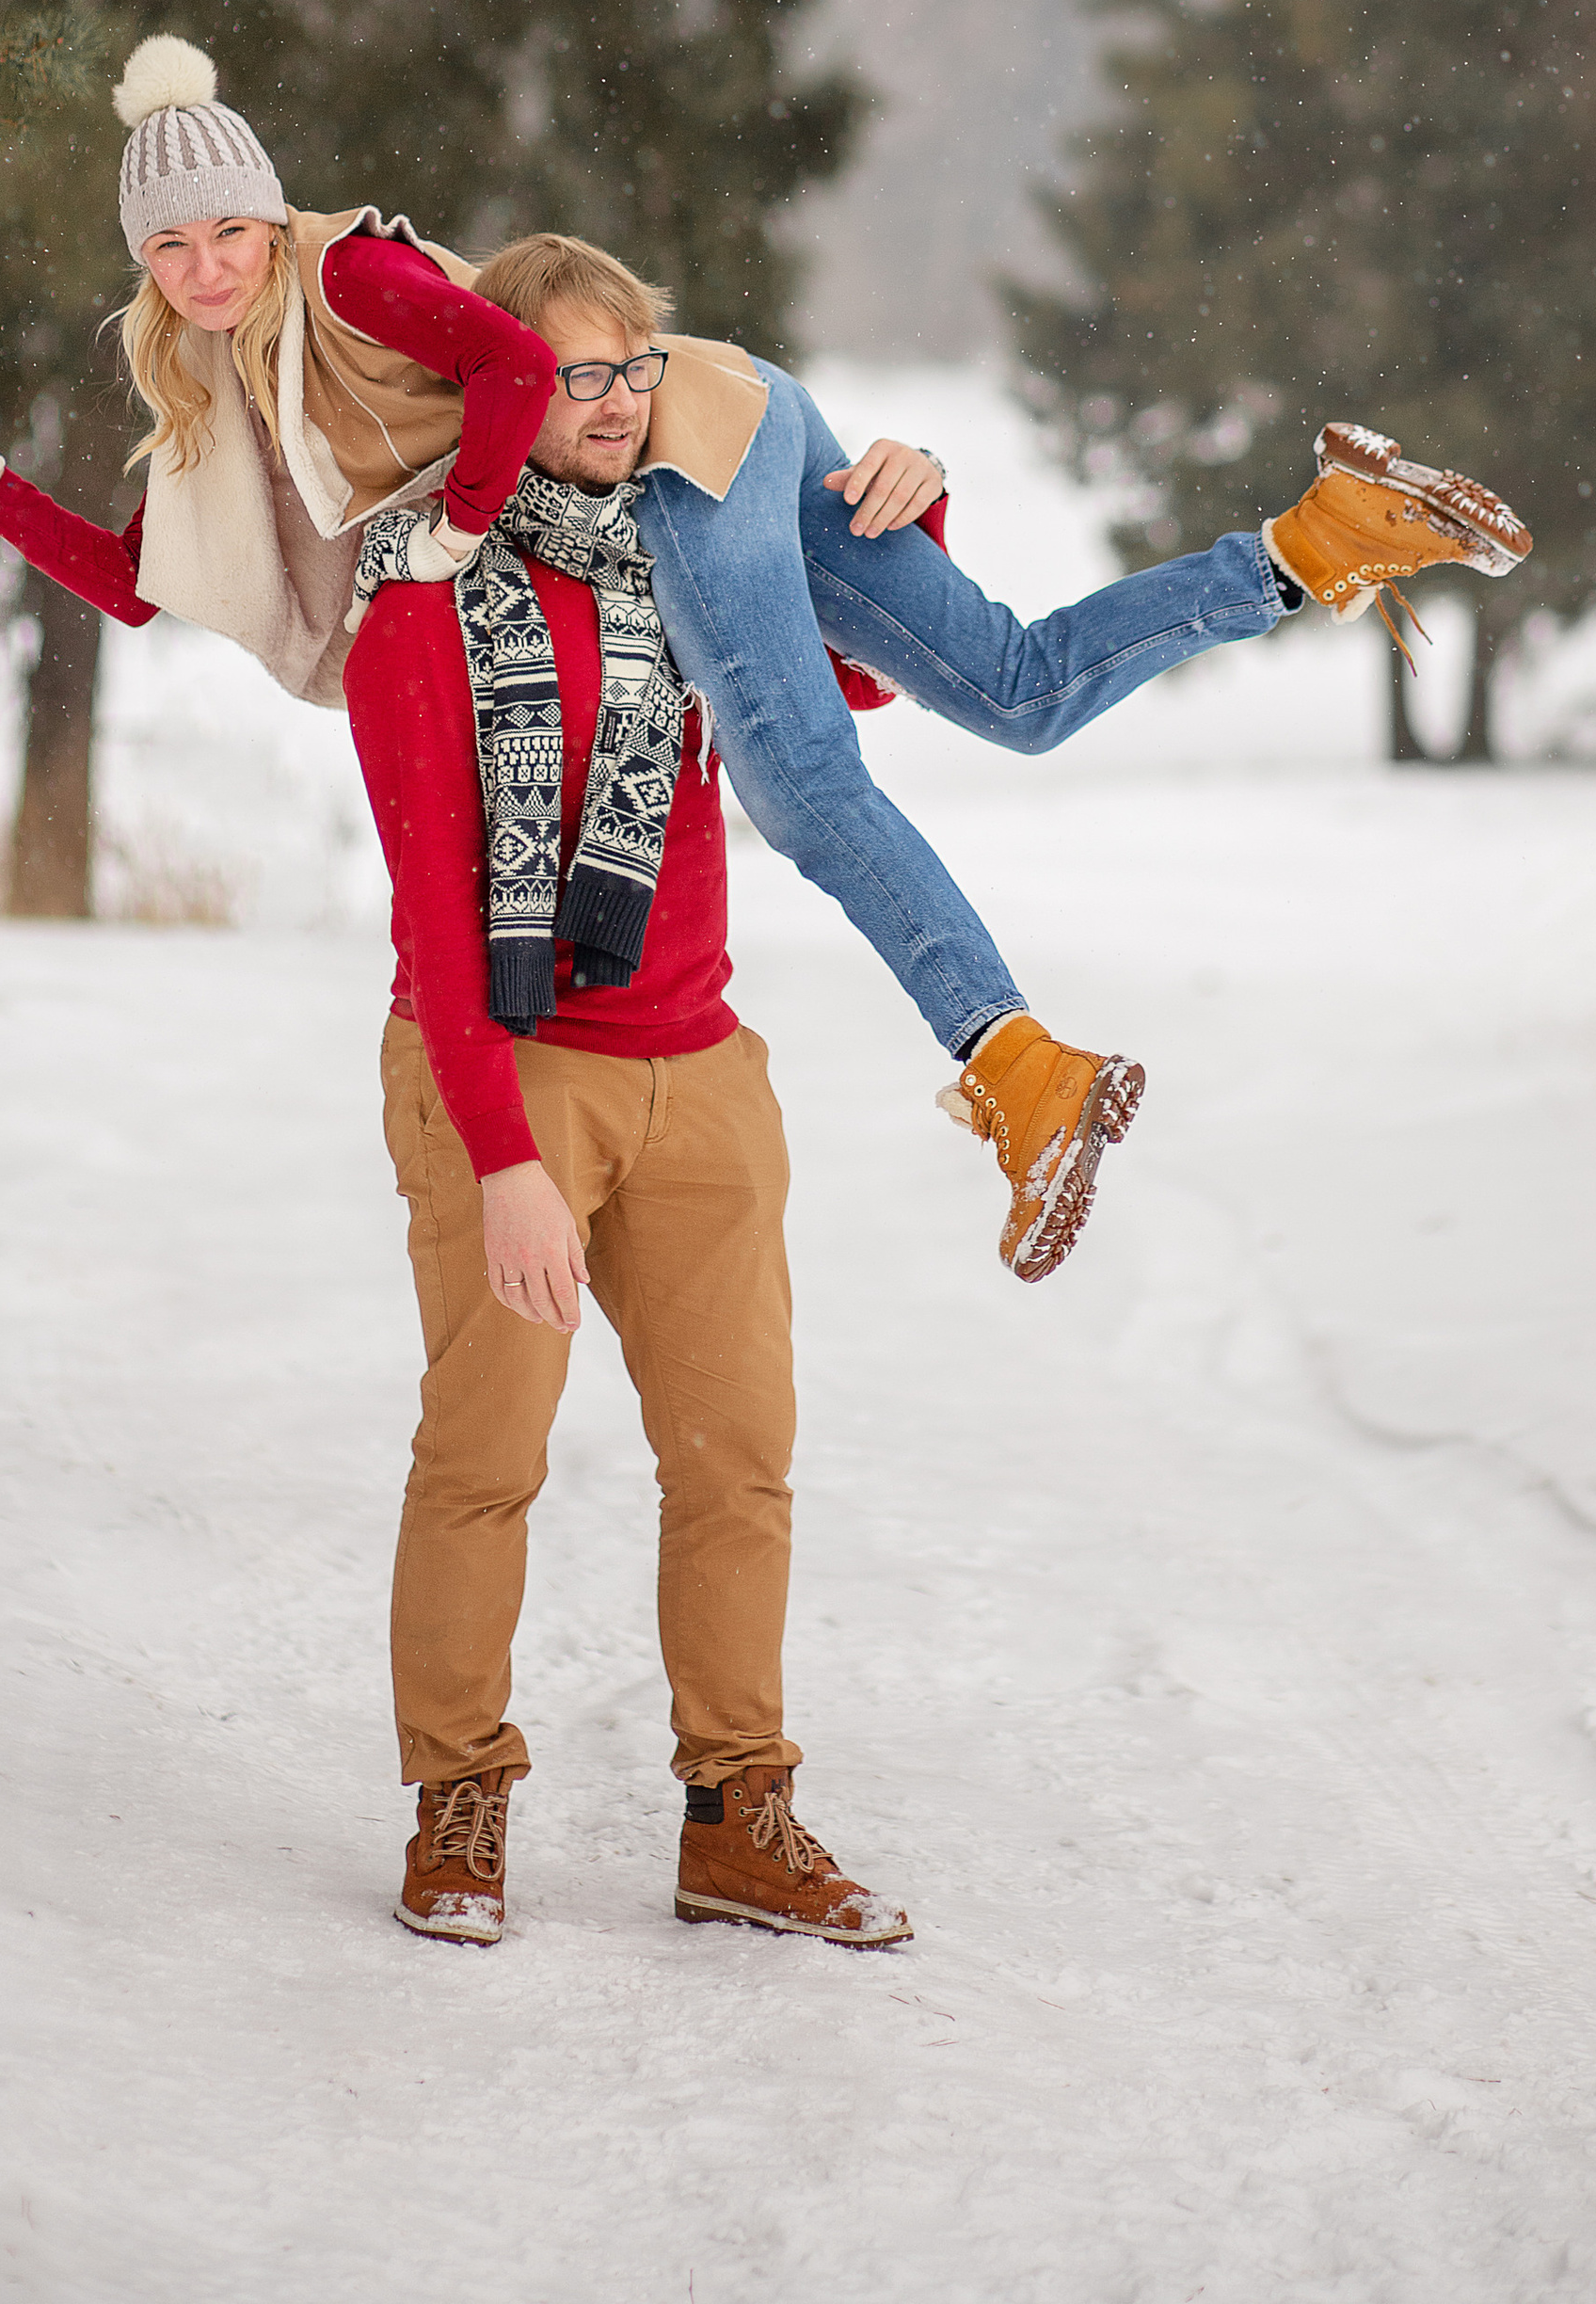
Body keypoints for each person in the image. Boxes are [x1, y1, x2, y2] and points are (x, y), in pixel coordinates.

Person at [0, 36, 1532, 1281]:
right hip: (729, 412)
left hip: (659, 439)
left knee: (798, 792)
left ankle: (1019, 1069)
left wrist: (449, 529)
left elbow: (513, 371)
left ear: (269, 219)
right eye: (169, 248)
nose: (206, 270)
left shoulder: (343, 274)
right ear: (141, 264)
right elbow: (141, 586)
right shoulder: (230, 395)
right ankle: (1318, 542)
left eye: (226, 233)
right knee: (1015, 692)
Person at [343, 240, 908, 1948]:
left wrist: (901, 511)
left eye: (636, 366)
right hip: (503, 1067)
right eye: (575, 373)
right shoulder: (427, 584)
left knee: (739, 1461)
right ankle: (459, 1795)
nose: (613, 403)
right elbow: (438, 916)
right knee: (486, 1454)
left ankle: (738, 1815)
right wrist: (505, 1158)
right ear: (500, 387)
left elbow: (865, 679)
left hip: (701, 1072)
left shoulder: (704, 560)